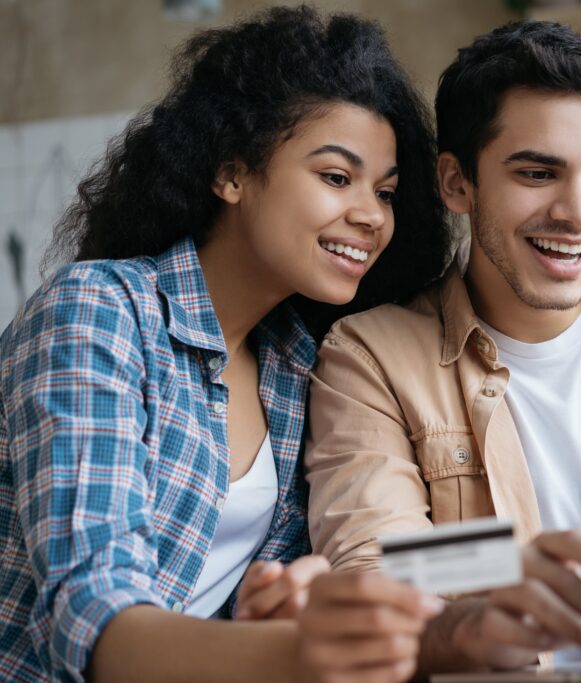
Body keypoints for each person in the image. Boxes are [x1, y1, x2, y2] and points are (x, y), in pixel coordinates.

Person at [0, 7, 453, 682]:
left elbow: (372, 541)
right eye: (336, 176)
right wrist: (294, 653)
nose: (370, 214)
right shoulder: (99, 313)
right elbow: (92, 609)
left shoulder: (303, 365)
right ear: (232, 174)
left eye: (385, 191)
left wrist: (516, 565)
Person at [305, 19, 581, 674]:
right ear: (457, 183)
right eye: (540, 172)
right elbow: (378, 572)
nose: (578, 212)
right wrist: (504, 558)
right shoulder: (369, 356)